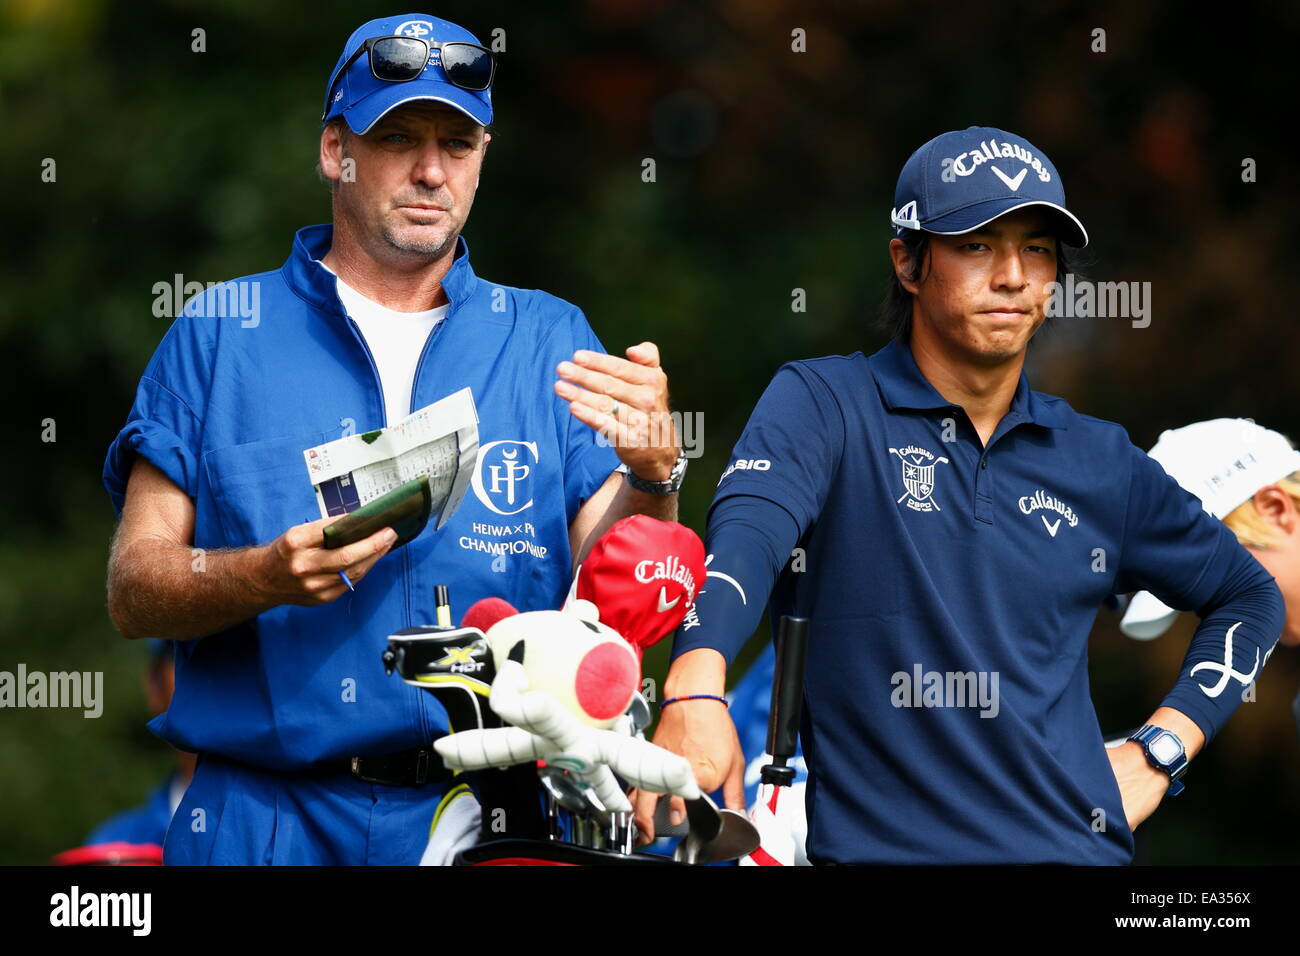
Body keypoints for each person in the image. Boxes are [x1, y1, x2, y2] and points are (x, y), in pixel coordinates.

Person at [103, 13, 685, 865]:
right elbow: (133, 587)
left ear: (483, 159)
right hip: (266, 820)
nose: (430, 170)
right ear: (336, 150)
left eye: (458, 142)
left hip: (498, 819)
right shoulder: (220, 334)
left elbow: (616, 601)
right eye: (398, 136)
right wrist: (261, 575)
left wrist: (656, 475)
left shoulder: (551, 338)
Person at [635, 126, 1284, 864]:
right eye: (977, 244)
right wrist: (694, 684)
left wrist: (1161, 750)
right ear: (908, 261)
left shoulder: (1101, 459)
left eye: (1037, 248)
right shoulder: (824, 402)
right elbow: (746, 543)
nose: (1012, 275)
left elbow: (1250, 595)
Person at [51, 640, 194, 866]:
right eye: (190, 654)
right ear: (154, 685)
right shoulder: (114, 843)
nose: (212, 675)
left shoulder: (269, 825)